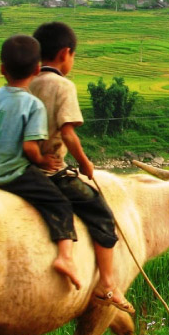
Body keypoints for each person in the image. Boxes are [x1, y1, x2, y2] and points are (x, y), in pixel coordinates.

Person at [29, 21, 134, 315]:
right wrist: (85, 163)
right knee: (101, 211)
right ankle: (108, 284)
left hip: (21, 169)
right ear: (65, 53)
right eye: (73, 56)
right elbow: (68, 133)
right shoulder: (62, 85)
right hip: (51, 171)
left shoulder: (27, 81)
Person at [0, 34, 83, 291]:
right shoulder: (32, 104)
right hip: (15, 174)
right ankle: (66, 257)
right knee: (60, 203)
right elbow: (28, 147)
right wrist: (41, 160)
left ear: (2, 69)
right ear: (37, 70)